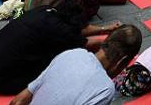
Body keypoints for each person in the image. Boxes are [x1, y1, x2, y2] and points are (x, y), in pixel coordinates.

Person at [0, 0, 123, 96]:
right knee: (58, 65)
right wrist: (109, 44)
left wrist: (106, 28)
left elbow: (77, 29)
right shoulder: (62, 32)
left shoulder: (46, 10)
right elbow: (85, 43)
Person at [10, 25, 142, 105]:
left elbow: (19, 100)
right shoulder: (105, 90)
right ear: (122, 61)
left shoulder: (73, 53)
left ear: (105, 42)